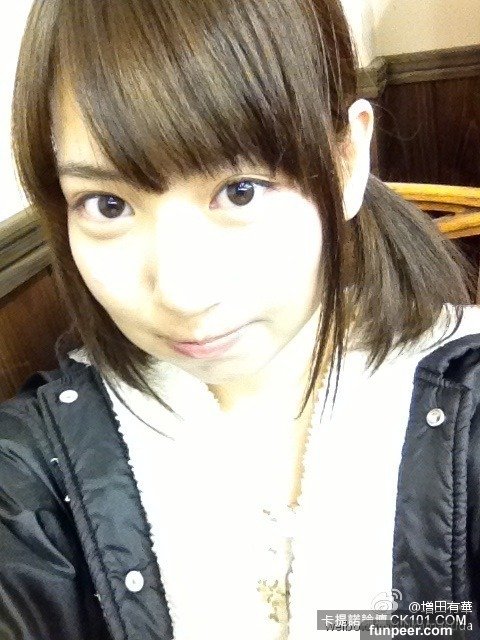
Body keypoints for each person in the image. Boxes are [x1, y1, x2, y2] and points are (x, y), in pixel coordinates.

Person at [1, 0, 480, 638]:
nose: (182, 293)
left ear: (346, 161)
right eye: (108, 205)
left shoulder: (465, 395)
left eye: (240, 190)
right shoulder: (32, 471)